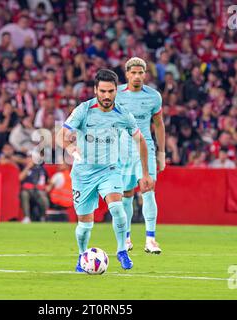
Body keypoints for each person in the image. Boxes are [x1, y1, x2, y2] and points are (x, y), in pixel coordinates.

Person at [56, 69, 153, 271]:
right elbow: (60, 135)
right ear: (95, 90)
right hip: (83, 174)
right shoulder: (83, 110)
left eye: (110, 91)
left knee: (117, 208)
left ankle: (121, 251)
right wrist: (70, 146)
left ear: (116, 91)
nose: (107, 96)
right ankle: (82, 256)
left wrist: (144, 173)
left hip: (110, 170)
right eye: (102, 91)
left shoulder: (123, 114)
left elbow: (141, 141)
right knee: (85, 224)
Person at [116, 57, 166, 254]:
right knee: (126, 195)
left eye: (140, 73)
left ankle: (151, 239)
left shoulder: (154, 96)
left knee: (148, 189)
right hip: (122, 152)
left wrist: (161, 153)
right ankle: (127, 239)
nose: (137, 76)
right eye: (133, 73)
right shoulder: (116, 94)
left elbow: (159, 124)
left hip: (145, 150)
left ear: (145, 74)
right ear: (127, 74)